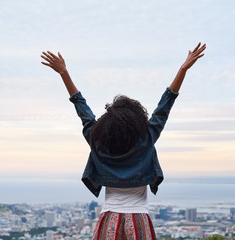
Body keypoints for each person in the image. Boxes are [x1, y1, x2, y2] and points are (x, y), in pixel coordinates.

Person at [41, 42, 206, 240]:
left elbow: (82, 109)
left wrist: (64, 73)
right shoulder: (146, 139)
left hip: (109, 218)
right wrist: (183, 69)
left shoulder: (98, 141)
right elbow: (164, 106)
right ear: (136, 120)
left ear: (107, 123)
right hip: (139, 220)